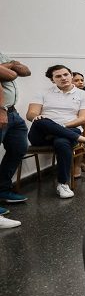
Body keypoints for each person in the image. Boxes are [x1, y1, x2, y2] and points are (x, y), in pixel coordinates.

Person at [26, 65, 85, 199]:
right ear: (52, 80)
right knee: (40, 120)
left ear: (70, 75)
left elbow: (83, 118)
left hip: (69, 129)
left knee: (62, 142)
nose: (63, 78)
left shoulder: (84, 95)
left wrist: (60, 127)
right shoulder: (42, 93)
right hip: (41, 133)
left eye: (66, 74)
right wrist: (36, 117)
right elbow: (31, 114)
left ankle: (62, 184)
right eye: (58, 76)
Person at [0, 53, 31, 227]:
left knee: (18, 148)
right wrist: (12, 66)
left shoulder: (2, 53)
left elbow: (25, 71)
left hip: (12, 112)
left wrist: (9, 64)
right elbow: (11, 74)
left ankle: (3, 190)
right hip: (2, 111)